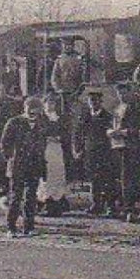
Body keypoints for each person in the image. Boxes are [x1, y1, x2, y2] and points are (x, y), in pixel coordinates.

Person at [0, 95, 48, 237]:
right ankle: (11, 227)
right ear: (24, 108)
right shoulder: (14, 122)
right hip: (18, 165)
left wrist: (42, 164)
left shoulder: (41, 124)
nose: (32, 113)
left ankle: (29, 227)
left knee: (31, 197)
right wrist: (10, 158)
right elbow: (4, 143)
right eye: (29, 109)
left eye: (36, 110)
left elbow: (42, 144)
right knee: (16, 196)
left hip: (34, 165)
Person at [74, 90, 118, 216]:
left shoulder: (108, 117)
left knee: (108, 179)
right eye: (91, 101)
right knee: (94, 179)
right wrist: (79, 149)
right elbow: (79, 134)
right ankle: (96, 204)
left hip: (105, 152)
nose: (93, 103)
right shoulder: (85, 117)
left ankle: (110, 206)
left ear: (101, 102)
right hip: (90, 152)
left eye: (96, 101)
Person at [49, 38, 88, 179]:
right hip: (62, 98)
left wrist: (77, 91)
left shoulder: (79, 59)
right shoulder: (58, 61)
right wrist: (59, 90)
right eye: (65, 45)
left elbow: (84, 78)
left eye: (69, 45)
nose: (67, 47)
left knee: (77, 127)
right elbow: (54, 78)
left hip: (76, 96)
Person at [109, 82, 140, 216]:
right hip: (117, 145)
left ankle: (129, 208)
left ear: (129, 93)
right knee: (118, 176)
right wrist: (111, 132)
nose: (122, 95)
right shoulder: (116, 109)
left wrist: (124, 132)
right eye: (119, 93)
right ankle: (120, 206)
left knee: (128, 178)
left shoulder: (134, 109)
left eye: (124, 92)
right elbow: (112, 124)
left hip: (129, 146)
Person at [36, 93, 69, 215]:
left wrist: (60, 137)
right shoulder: (40, 118)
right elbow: (38, 133)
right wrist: (46, 137)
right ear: (43, 104)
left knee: (57, 173)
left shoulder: (60, 118)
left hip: (57, 149)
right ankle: (45, 201)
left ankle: (57, 201)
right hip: (45, 149)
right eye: (48, 102)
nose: (51, 105)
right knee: (46, 175)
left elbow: (66, 132)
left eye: (53, 103)